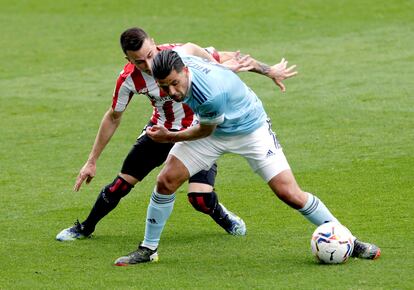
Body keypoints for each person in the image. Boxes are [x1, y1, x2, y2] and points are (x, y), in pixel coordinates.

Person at [113, 49, 380, 265]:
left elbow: (204, 130)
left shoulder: (209, 95)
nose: (171, 92)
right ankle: (148, 249)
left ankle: (351, 241)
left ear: (185, 70)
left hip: (249, 130)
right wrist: (268, 70)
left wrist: (167, 137)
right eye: (164, 86)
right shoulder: (183, 56)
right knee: (166, 181)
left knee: (289, 192)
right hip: (215, 129)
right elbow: (216, 53)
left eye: (174, 83)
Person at [56, 27, 296, 241]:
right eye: (139, 62)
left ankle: (225, 217)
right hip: (161, 131)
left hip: (198, 135)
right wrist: (92, 160)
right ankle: (85, 228)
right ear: (128, 59)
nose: (148, 66)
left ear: (154, 42)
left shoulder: (180, 55)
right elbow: (113, 117)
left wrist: (269, 70)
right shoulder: (128, 79)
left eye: (150, 55)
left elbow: (234, 58)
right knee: (120, 185)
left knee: (199, 200)